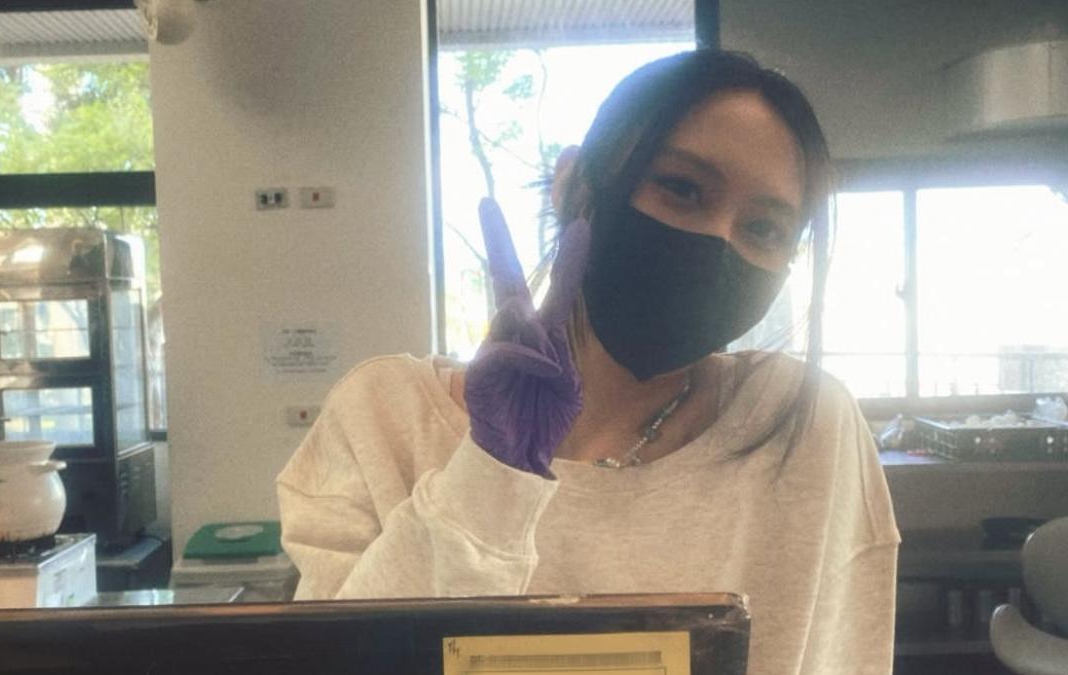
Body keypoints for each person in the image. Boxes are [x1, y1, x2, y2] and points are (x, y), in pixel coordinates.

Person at [277, 50, 901, 674]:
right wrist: (487, 479)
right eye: (681, 188)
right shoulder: (383, 417)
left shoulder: (803, 427)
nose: (717, 242)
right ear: (575, 185)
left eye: (764, 229)